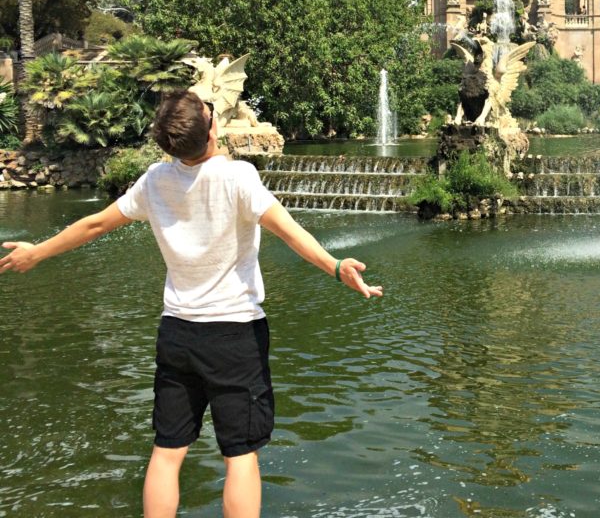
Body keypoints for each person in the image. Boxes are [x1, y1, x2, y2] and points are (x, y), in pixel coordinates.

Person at [0, 90, 382, 518]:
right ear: (213, 130)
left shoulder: (155, 181)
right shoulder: (239, 177)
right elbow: (290, 233)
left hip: (178, 334)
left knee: (167, 451)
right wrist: (335, 267)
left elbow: (94, 225)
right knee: (239, 456)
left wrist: (37, 252)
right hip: (236, 336)